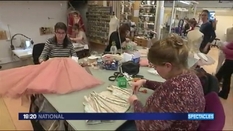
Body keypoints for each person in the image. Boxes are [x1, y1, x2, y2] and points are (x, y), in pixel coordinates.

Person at [126, 34, 205, 130]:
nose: (155, 69)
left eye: (155, 66)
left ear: (168, 66)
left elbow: (146, 128)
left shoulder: (173, 91)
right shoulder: (190, 76)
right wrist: (145, 82)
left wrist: (135, 102)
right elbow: (170, 88)